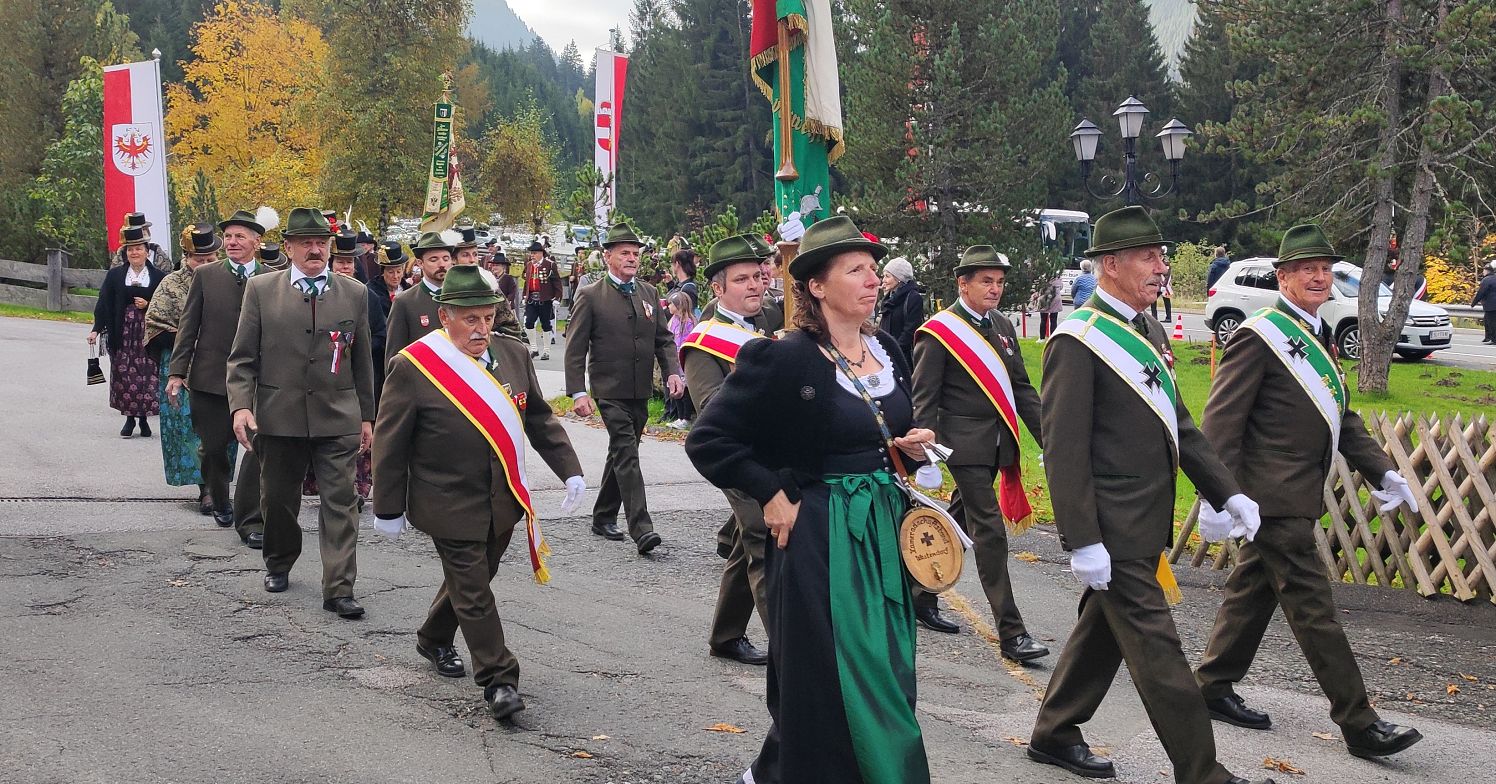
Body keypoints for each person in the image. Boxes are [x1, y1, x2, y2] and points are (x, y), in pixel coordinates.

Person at [686, 215, 938, 784]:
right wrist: (771, 492)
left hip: (883, 533)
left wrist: (911, 447)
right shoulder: (785, 356)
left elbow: (885, 429)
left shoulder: (889, 350)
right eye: (856, 270)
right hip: (820, 538)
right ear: (817, 287)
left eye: (874, 270)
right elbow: (710, 440)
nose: (873, 281)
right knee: (830, 676)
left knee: (887, 667)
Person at [1028, 206, 1271, 784]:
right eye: (1149, 257)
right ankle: (1203, 771)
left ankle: (1053, 732)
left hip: (1145, 520)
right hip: (1111, 524)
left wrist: (1226, 494)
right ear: (1110, 265)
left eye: (1161, 256)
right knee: (1160, 654)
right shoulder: (1078, 340)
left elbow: (1178, 422)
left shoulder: (1148, 328)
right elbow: (1063, 450)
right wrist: (1082, 539)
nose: (1162, 267)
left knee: (1101, 633)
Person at [1193, 223, 1424, 759]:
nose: (1319, 277)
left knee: (1253, 592)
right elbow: (1222, 421)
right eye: (1305, 270)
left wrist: (1383, 472)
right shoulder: (1260, 335)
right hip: (1270, 500)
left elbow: (1341, 415)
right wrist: (1214, 495)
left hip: (1294, 495)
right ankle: (1359, 721)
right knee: (1314, 608)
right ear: (1283, 277)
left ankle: (1212, 684)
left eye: (1324, 269)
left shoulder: (1315, 335)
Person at [373, 265, 586, 722]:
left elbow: (540, 420)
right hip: (445, 500)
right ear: (444, 315)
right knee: (473, 591)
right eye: (470, 319)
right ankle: (498, 678)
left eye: (487, 318)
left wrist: (570, 470)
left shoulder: (512, 354)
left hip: (502, 499)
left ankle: (432, 636)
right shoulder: (414, 367)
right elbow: (390, 443)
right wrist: (387, 507)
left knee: (473, 580)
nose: (481, 328)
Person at [226, 207, 376, 618]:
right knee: (277, 500)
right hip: (278, 416)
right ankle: (278, 561)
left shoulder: (355, 294)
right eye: (306, 243)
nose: (315, 250)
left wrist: (367, 417)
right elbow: (241, 359)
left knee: (342, 502)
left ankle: (339, 588)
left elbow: (363, 361)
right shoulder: (260, 290)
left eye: (322, 243)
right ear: (288, 247)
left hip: (337, 416)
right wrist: (241, 406)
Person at [908, 246, 1048, 661]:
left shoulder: (1002, 325)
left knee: (959, 520)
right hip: (963, 446)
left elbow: (1021, 389)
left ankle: (917, 592)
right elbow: (924, 397)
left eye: (1000, 282)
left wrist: (1050, 440)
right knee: (989, 531)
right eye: (986, 281)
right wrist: (926, 453)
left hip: (998, 443)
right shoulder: (939, 332)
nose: (995, 289)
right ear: (962, 283)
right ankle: (1012, 632)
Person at [681, 235, 783, 668]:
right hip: (738, 456)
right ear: (718, 289)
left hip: (777, 451)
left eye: (758, 276)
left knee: (746, 540)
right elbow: (714, 415)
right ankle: (793, 651)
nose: (755, 286)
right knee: (763, 536)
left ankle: (725, 634)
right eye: (741, 279)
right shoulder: (702, 344)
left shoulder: (773, 319)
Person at [564, 222, 686, 554]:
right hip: (609, 388)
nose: (632, 259)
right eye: (625, 253)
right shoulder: (590, 296)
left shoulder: (648, 292)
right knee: (627, 451)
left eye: (635, 254)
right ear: (608, 257)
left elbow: (664, 340)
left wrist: (673, 372)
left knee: (621, 451)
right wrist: (577, 392)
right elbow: (575, 348)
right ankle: (641, 527)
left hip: (640, 389)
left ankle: (602, 515)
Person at [168, 208, 273, 545]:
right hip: (210, 378)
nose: (231, 242)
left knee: (259, 448)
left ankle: (251, 514)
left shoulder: (274, 277)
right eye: (227, 236)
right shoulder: (207, 276)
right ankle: (218, 494)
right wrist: (176, 371)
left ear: (257, 242)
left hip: (258, 380)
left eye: (239, 236)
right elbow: (188, 327)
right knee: (214, 447)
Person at [145, 224, 227, 515]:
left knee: (222, 428)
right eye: (198, 258)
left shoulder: (229, 280)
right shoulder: (171, 284)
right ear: (186, 257)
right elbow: (154, 326)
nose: (205, 263)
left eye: (210, 258)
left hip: (221, 364)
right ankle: (204, 488)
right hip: (182, 364)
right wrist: (187, 338)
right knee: (188, 427)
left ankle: (220, 484)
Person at [90, 221, 165, 438]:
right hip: (122, 334)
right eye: (131, 249)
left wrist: (148, 304)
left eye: (138, 249)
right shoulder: (115, 276)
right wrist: (96, 329)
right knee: (124, 375)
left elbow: (164, 305)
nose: (134, 253)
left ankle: (143, 419)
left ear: (146, 252)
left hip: (147, 335)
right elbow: (104, 302)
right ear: (126, 253)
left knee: (147, 376)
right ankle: (129, 419)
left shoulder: (159, 276)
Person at [385, 232, 454, 365]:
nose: (442, 264)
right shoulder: (404, 302)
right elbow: (394, 358)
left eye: (446, 259)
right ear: (420, 263)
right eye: (434, 260)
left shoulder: (461, 297)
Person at [877, 256, 923, 364]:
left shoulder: (913, 298)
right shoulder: (888, 297)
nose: (883, 280)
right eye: (884, 276)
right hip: (886, 355)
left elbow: (910, 331)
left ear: (899, 278)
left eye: (887, 276)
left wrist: (894, 351)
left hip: (903, 358)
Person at [663, 290, 697, 428]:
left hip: (683, 361)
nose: (668, 307)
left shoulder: (688, 323)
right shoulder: (673, 321)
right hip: (674, 361)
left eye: (670, 304)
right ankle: (679, 416)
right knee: (675, 388)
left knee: (685, 389)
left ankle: (686, 417)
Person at [521, 240, 561, 360]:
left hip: (545, 299)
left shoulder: (549, 264)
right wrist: (525, 295)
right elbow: (527, 282)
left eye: (534, 253)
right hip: (532, 298)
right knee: (528, 323)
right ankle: (534, 348)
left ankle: (546, 351)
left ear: (541, 253)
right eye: (531, 253)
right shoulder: (529, 265)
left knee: (546, 324)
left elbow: (557, 282)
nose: (532, 255)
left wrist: (557, 297)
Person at [1471, 260, 1496, 344]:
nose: (1483, 272)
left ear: (1487, 271)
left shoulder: (1486, 280)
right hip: (1492, 305)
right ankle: (1488, 337)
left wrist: (1473, 303)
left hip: (1491, 305)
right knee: (1487, 321)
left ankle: (1493, 339)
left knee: (1491, 322)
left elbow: (1481, 293)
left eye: (1484, 270)